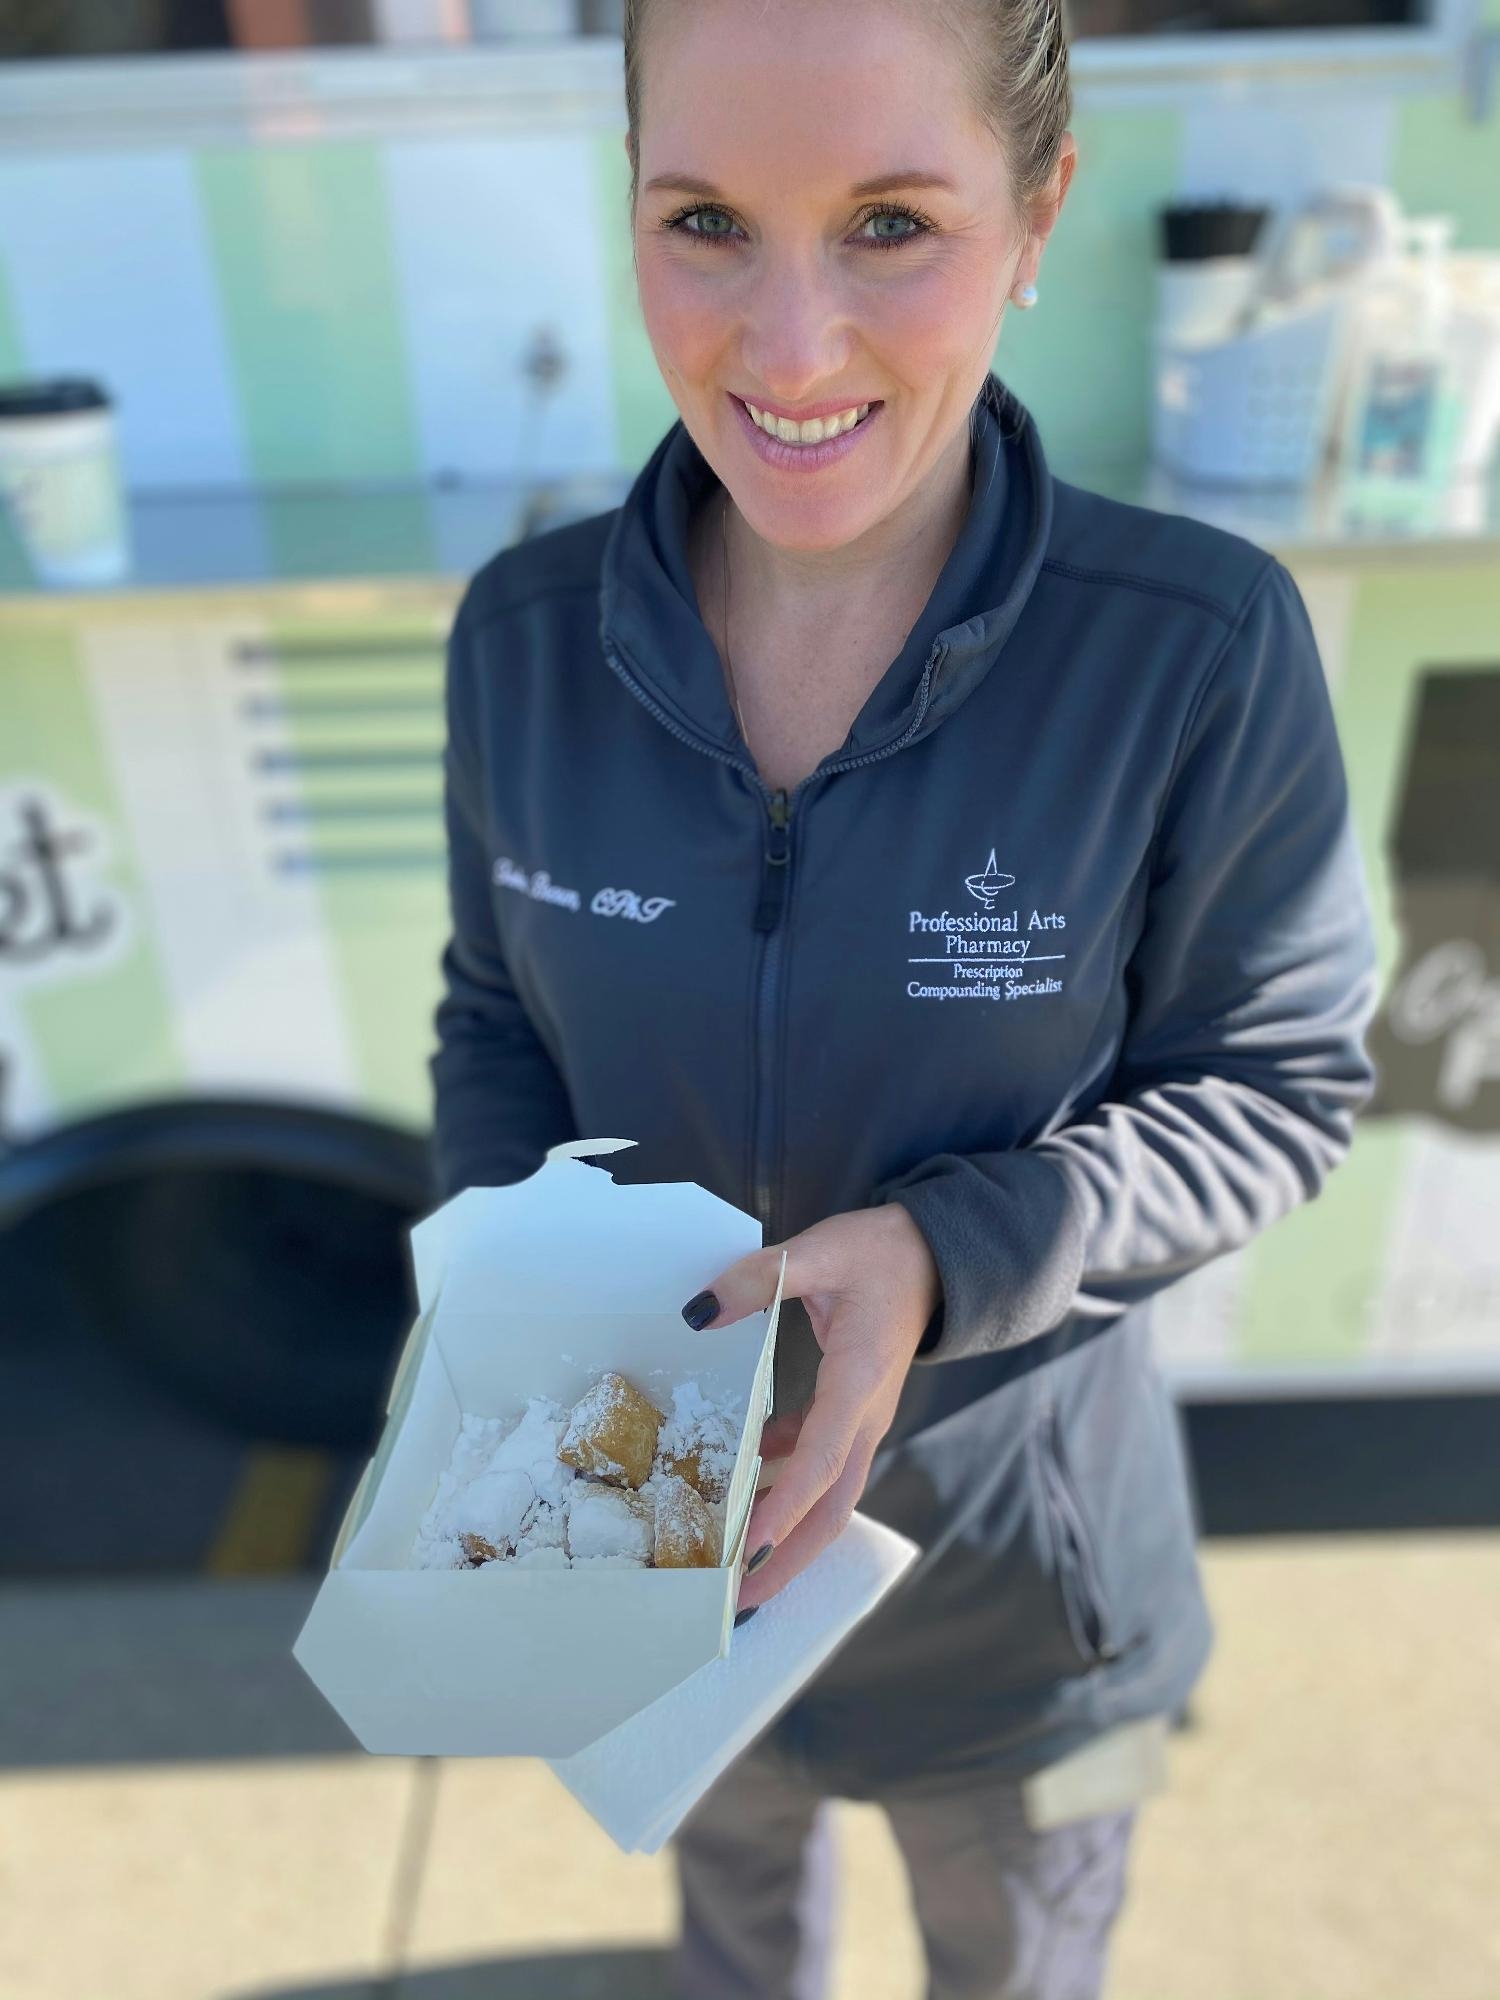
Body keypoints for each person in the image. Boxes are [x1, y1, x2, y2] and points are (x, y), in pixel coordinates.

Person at [428, 1, 1382, 1993]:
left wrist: (953, 1256)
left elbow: (1279, 1078)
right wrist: (520, 1308)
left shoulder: (1195, 652)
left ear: (1038, 213)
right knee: (734, 1943)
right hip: (654, 1568)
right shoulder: (519, 641)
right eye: (704, 221)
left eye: (889, 224)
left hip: (1015, 1601)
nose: (784, 352)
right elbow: (496, 1016)